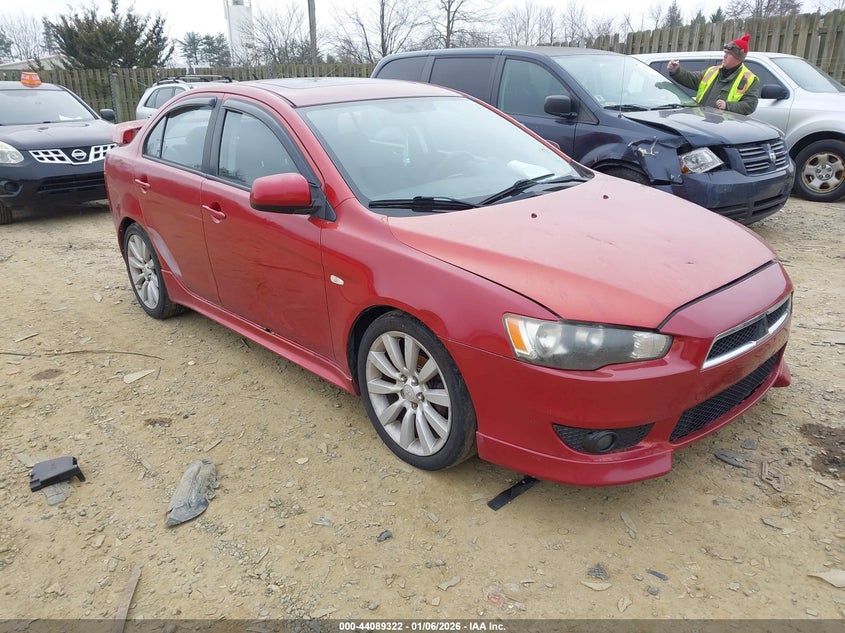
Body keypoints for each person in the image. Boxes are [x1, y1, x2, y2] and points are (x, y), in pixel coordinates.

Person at [667, 34, 760, 115]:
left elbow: (750, 105)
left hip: (725, 126)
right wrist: (676, 71)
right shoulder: (713, 71)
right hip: (701, 121)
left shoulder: (749, 79)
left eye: (728, 54)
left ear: (738, 58)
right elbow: (692, 79)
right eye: (725, 53)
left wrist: (727, 106)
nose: (724, 56)